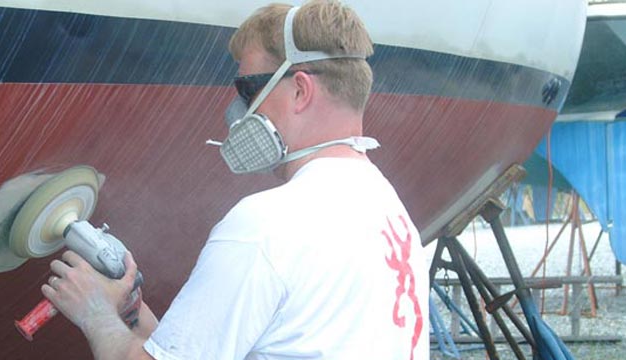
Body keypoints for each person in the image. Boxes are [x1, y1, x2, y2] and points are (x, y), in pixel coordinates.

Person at [41, 1, 428, 359]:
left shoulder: (265, 227)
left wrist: (95, 314)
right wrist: (133, 313)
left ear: (300, 89)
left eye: (248, 89)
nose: (237, 112)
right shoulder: (390, 213)